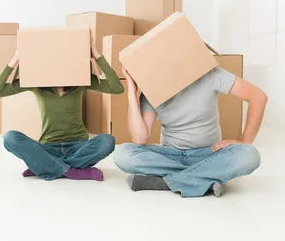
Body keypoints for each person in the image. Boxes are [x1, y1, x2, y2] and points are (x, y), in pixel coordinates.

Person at [0, 32, 124, 181]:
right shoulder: (36, 83)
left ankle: (44, 167)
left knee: (107, 141)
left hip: (78, 146)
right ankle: (71, 170)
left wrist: (96, 54)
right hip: (48, 147)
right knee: (10, 138)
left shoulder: (81, 80)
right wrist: (16, 58)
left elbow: (117, 88)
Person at [113, 66, 266, 197]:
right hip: (169, 156)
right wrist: (132, 91)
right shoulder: (152, 90)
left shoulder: (209, 73)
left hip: (209, 154)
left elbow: (258, 97)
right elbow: (140, 138)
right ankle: (206, 179)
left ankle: (167, 182)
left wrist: (244, 141)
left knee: (249, 154)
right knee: (123, 154)